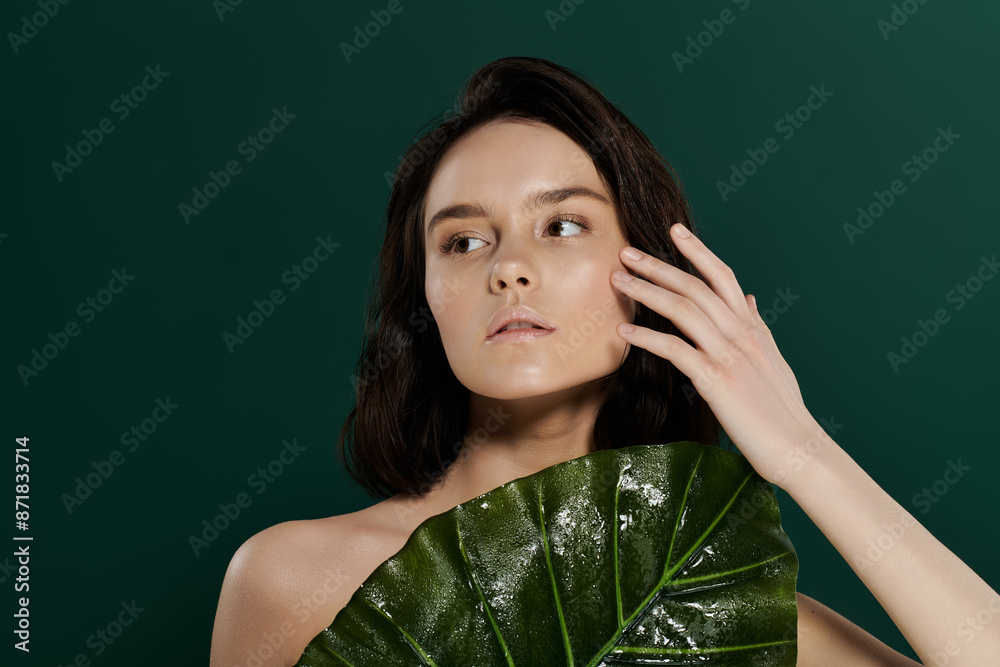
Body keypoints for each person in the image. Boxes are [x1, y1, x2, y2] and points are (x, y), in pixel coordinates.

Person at [209, 56, 999, 666]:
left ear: (648, 271)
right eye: (463, 240)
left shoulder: (703, 584)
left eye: (562, 226)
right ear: (426, 299)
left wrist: (803, 451)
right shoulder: (290, 577)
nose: (508, 267)